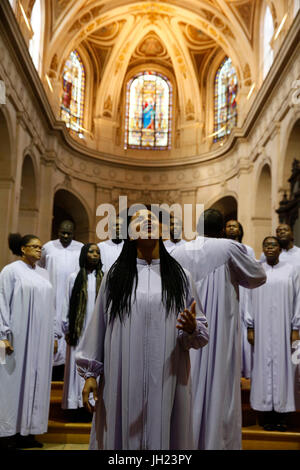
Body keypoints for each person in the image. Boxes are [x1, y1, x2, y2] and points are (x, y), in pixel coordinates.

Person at [76, 207, 209, 450]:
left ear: (162, 231)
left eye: (152, 220)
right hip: (121, 374)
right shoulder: (115, 277)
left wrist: (191, 330)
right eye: (138, 220)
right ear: (129, 233)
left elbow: (198, 333)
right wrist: (90, 373)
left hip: (168, 375)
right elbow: (99, 328)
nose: (147, 222)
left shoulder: (181, 277)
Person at [172, 209, 266, 450]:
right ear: (222, 229)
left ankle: (184, 444)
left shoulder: (178, 251)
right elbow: (258, 276)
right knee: (220, 386)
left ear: (198, 227)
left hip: (186, 328)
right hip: (220, 330)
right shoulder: (229, 248)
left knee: (186, 381)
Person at [0, 233, 56, 449]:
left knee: (37, 382)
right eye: (34, 246)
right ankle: (7, 433)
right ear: (22, 249)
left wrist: (53, 334)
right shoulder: (10, 271)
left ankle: (29, 431)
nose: (39, 250)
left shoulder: (44, 273)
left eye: (41, 247)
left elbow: (50, 306)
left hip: (40, 339)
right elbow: (2, 302)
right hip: (16, 336)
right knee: (11, 382)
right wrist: (3, 335)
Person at [246, 236, 300, 431]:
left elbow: (298, 298)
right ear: (262, 249)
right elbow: (248, 300)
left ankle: (282, 415)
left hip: (284, 328)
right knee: (262, 368)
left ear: (280, 249)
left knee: (285, 368)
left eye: (273, 245)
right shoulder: (256, 270)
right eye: (266, 245)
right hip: (261, 328)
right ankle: (265, 414)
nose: (270, 248)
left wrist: (296, 328)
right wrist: (250, 326)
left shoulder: (291, 270)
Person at [61, 243, 103, 415]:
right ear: (84, 254)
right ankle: (74, 405)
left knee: (94, 363)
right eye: (91, 251)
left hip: (96, 329)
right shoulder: (74, 277)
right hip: (78, 330)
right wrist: (67, 328)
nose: (95, 255)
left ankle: (93, 405)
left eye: (97, 252)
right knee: (75, 366)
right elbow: (66, 303)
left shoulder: (105, 277)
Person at [39, 219, 83, 378]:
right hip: (51, 297)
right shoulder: (48, 247)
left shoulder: (80, 248)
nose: (65, 236)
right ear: (57, 232)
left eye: (69, 233)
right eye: (62, 232)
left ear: (74, 233)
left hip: (72, 298)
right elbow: (40, 267)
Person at [225, 219, 255, 379]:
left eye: (234, 226)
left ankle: (244, 369)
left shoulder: (247, 249)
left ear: (240, 230)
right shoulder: (221, 248)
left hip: (244, 290)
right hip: (227, 288)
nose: (231, 228)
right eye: (228, 226)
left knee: (242, 327)